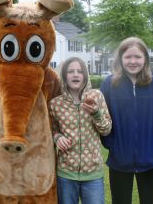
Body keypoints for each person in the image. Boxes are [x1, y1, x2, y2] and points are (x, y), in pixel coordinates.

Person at [100, 37, 153, 204]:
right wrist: (112, 145)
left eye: (137, 57)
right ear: (120, 59)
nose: (133, 61)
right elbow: (102, 118)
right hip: (119, 161)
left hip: (149, 161)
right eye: (128, 57)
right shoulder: (110, 84)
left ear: (145, 58)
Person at [50, 57, 112, 204]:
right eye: (71, 71)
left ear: (85, 75)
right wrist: (57, 137)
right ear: (65, 76)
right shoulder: (55, 103)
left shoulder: (97, 97)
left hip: (93, 174)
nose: (76, 75)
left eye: (80, 71)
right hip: (65, 174)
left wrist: (96, 114)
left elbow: (106, 130)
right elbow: (50, 130)